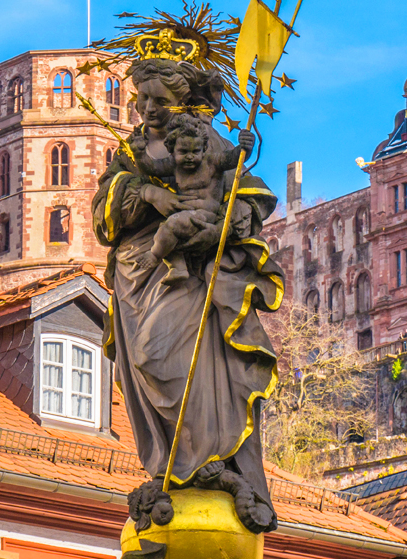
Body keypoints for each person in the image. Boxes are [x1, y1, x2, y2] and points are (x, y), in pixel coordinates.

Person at [92, 56, 282, 534]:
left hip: (190, 275)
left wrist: (234, 212)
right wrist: (149, 195)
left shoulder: (204, 140)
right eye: (143, 99)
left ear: (183, 103)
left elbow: (248, 189)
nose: (149, 108)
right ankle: (169, 466)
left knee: (172, 361)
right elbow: (102, 217)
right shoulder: (132, 152)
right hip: (136, 275)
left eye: (161, 100)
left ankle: (210, 462)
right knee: (142, 364)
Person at [131, 113, 252, 285]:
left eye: (195, 151)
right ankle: (178, 267)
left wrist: (245, 146)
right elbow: (151, 168)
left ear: (204, 149)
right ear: (172, 150)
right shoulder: (174, 165)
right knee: (166, 234)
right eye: (183, 152)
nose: (189, 156)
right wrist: (139, 153)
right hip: (184, 215)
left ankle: (154, 255)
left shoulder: (212, 162)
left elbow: (234, 158)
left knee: (171, 226)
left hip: (205, 215)